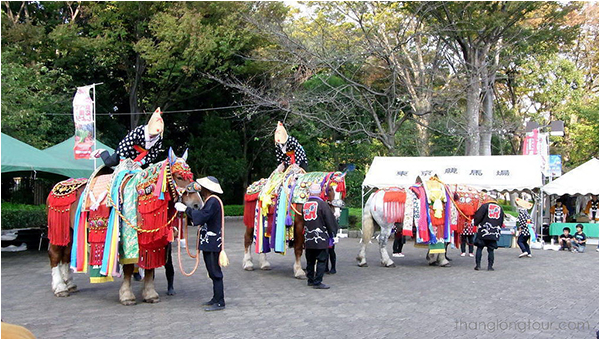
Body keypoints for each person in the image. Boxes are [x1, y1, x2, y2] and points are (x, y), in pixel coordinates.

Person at [175, 176, 226, 311]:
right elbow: (200, 217)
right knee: (211, 271)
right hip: (208, 242)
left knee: (215, 272)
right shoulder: (209, 201)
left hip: (212, 242)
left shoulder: (213, 201)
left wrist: (186, 210)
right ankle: (216, 298)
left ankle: (220, 301)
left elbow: (202, 216)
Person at [92, 108, 164, 168]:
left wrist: (141, 163)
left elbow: (153, 153)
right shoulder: (139, 131)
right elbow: (127, 143)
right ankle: (102, 151)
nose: (152, 136)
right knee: (110, 162)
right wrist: (122, 160)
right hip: (128, 151)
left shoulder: (158, 139)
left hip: (142, 158)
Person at [303, 183, 339, 289]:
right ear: (319, 192)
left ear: (309, 192)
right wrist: (333, 232)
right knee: (321, 259)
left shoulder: (305, 204)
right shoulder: (322, 204)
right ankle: (317, 281)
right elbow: (329, 220)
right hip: (320, 237)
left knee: (310, 260)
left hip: (308, 236)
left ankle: (310, 279)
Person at [473, 194, 504, 271]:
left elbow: (478, 216)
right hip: (494, 231)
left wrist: (476, 223)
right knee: (491, 250)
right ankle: (490, 266)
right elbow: (501, 220)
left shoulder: (484, 206)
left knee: (479, 248)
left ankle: (478, 265)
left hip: (484, 230)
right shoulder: (500, 208)